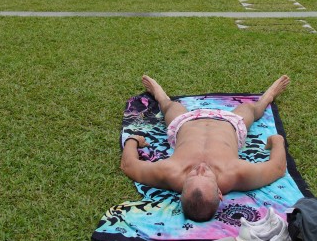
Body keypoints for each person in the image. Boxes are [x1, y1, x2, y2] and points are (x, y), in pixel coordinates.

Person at [121, 74, 290, 222]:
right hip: (230, 123)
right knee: (249, 109)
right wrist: (276, 140)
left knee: (170, 107)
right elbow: (277, 167)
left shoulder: (170, 172)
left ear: (181, 191)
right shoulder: (236, 173)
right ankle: (268, 97)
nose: (201, 167)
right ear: (219, 193)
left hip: (185, 122)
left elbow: (129, 166)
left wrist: (133, 140)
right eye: (206, 175)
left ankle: (160, 95)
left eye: (193, 174)